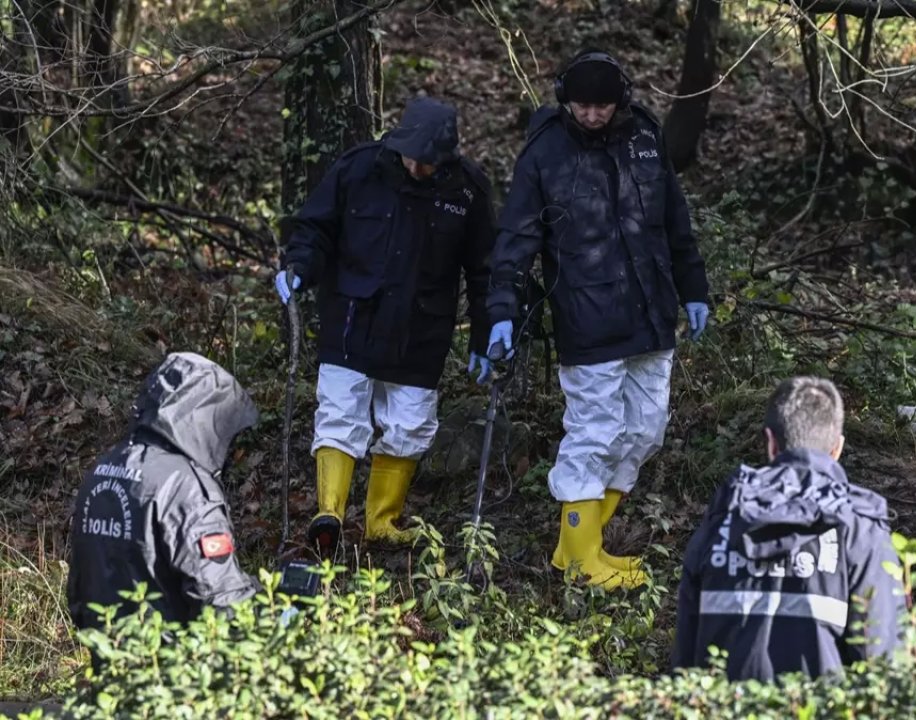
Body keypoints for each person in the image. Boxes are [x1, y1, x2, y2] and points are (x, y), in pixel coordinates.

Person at [486, 48, 711, 590]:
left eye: (602, 106)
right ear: (567, 100)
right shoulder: (544, 152)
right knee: (594, 432)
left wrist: (694, 289)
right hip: (586, 317)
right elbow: (516, 238)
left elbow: (673, 220)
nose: (592, 115)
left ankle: (578, 548)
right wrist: (501, 312)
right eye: (583, 106)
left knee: (645, 428)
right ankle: (585, 563)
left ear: (620, 101)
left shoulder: (644, 138)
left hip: (651, 312)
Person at [277, 95, 495, 552]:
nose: (418, 169)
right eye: (412, 159)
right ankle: (329, 515)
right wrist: (298, 267)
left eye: (429, 164)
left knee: (411, 425)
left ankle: (381, 521)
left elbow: (483, 271)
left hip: (421, 332)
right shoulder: (359, 168)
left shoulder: (469, 191)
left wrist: (484, 333)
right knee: (339, 414)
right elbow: (316, 228)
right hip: (352, 319)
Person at [671, 377, 906, 681]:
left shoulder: (722, 520)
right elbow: (884, 664)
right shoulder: (859, 530)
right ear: (837, 448)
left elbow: (683, 664)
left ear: (770, 443)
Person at [66, 352, 260, 631]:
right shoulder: (187, 489)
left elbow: (80, 587)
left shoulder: (104, 468)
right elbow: (222, 605)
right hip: (172, 665)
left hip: (109, 658)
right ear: (204, 415)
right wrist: (276, 614)